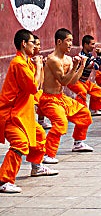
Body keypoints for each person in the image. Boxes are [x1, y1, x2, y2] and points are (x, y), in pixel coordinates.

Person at [0, 29, 58, 194]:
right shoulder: (18, 63)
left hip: (24, 113)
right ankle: (4, 180)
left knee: (39, 136)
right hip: (12, 113)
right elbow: (34, 87)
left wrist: (35, 65)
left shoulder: (24, 62)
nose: (36, 46)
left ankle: (37, 167)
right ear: (24, 44)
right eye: (33, 42)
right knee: (20, 143)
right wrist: (39, 67)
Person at [38, 28, 94, 164]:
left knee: (84, 114)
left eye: (71, 41)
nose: (70, 44)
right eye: (68, 41)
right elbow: (63, 80)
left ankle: (78, 142)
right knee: (60, 123)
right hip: (49, 99)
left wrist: (81, 66)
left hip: (61, 98)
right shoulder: (53, 60)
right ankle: (47, 154)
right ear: (59, 42)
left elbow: (72, 82)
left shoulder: (68, 59)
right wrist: (76, 66)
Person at [67, 35, 101, 116]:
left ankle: (93, 109)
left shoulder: (90, 55)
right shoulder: (82, 56)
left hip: (84, 81)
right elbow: (96, 66)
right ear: (85, 44)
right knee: (82, 92)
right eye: (92, 44)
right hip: (76, 81)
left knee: (97, 90)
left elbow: (98, 64)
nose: (94, 46)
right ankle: (81, 112)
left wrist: (99, 56)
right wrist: (100, 55)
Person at [32, 35, 52, 130]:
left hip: (37, 88)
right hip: (30, 90)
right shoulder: (29, 61)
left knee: (43, 98)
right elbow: (35, 85)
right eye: (37, 44)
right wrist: (38, 65)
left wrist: (42, 66)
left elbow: (41, 82)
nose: (40, 47)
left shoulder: (37, 59)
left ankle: (40, 120)